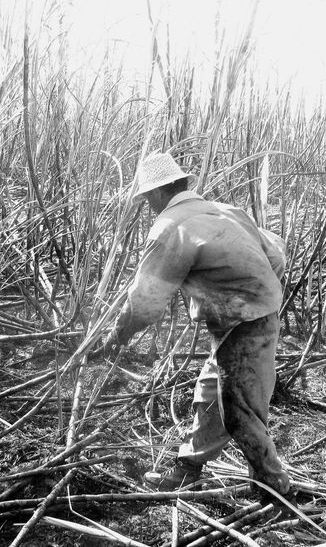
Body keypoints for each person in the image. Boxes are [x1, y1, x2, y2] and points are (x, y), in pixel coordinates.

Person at [101, 152, 290, 495]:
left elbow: (146, 300)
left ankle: (274, 487)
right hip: (249, 317)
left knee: (238, 408)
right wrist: (257, 296)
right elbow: (276, 252)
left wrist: (118, 335)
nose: (148, 206)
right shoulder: (227, 211)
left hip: (244, 322)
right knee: (210, 392)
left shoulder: (170, 227)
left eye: (146, 199)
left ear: (157, 193)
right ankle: (189, 467)